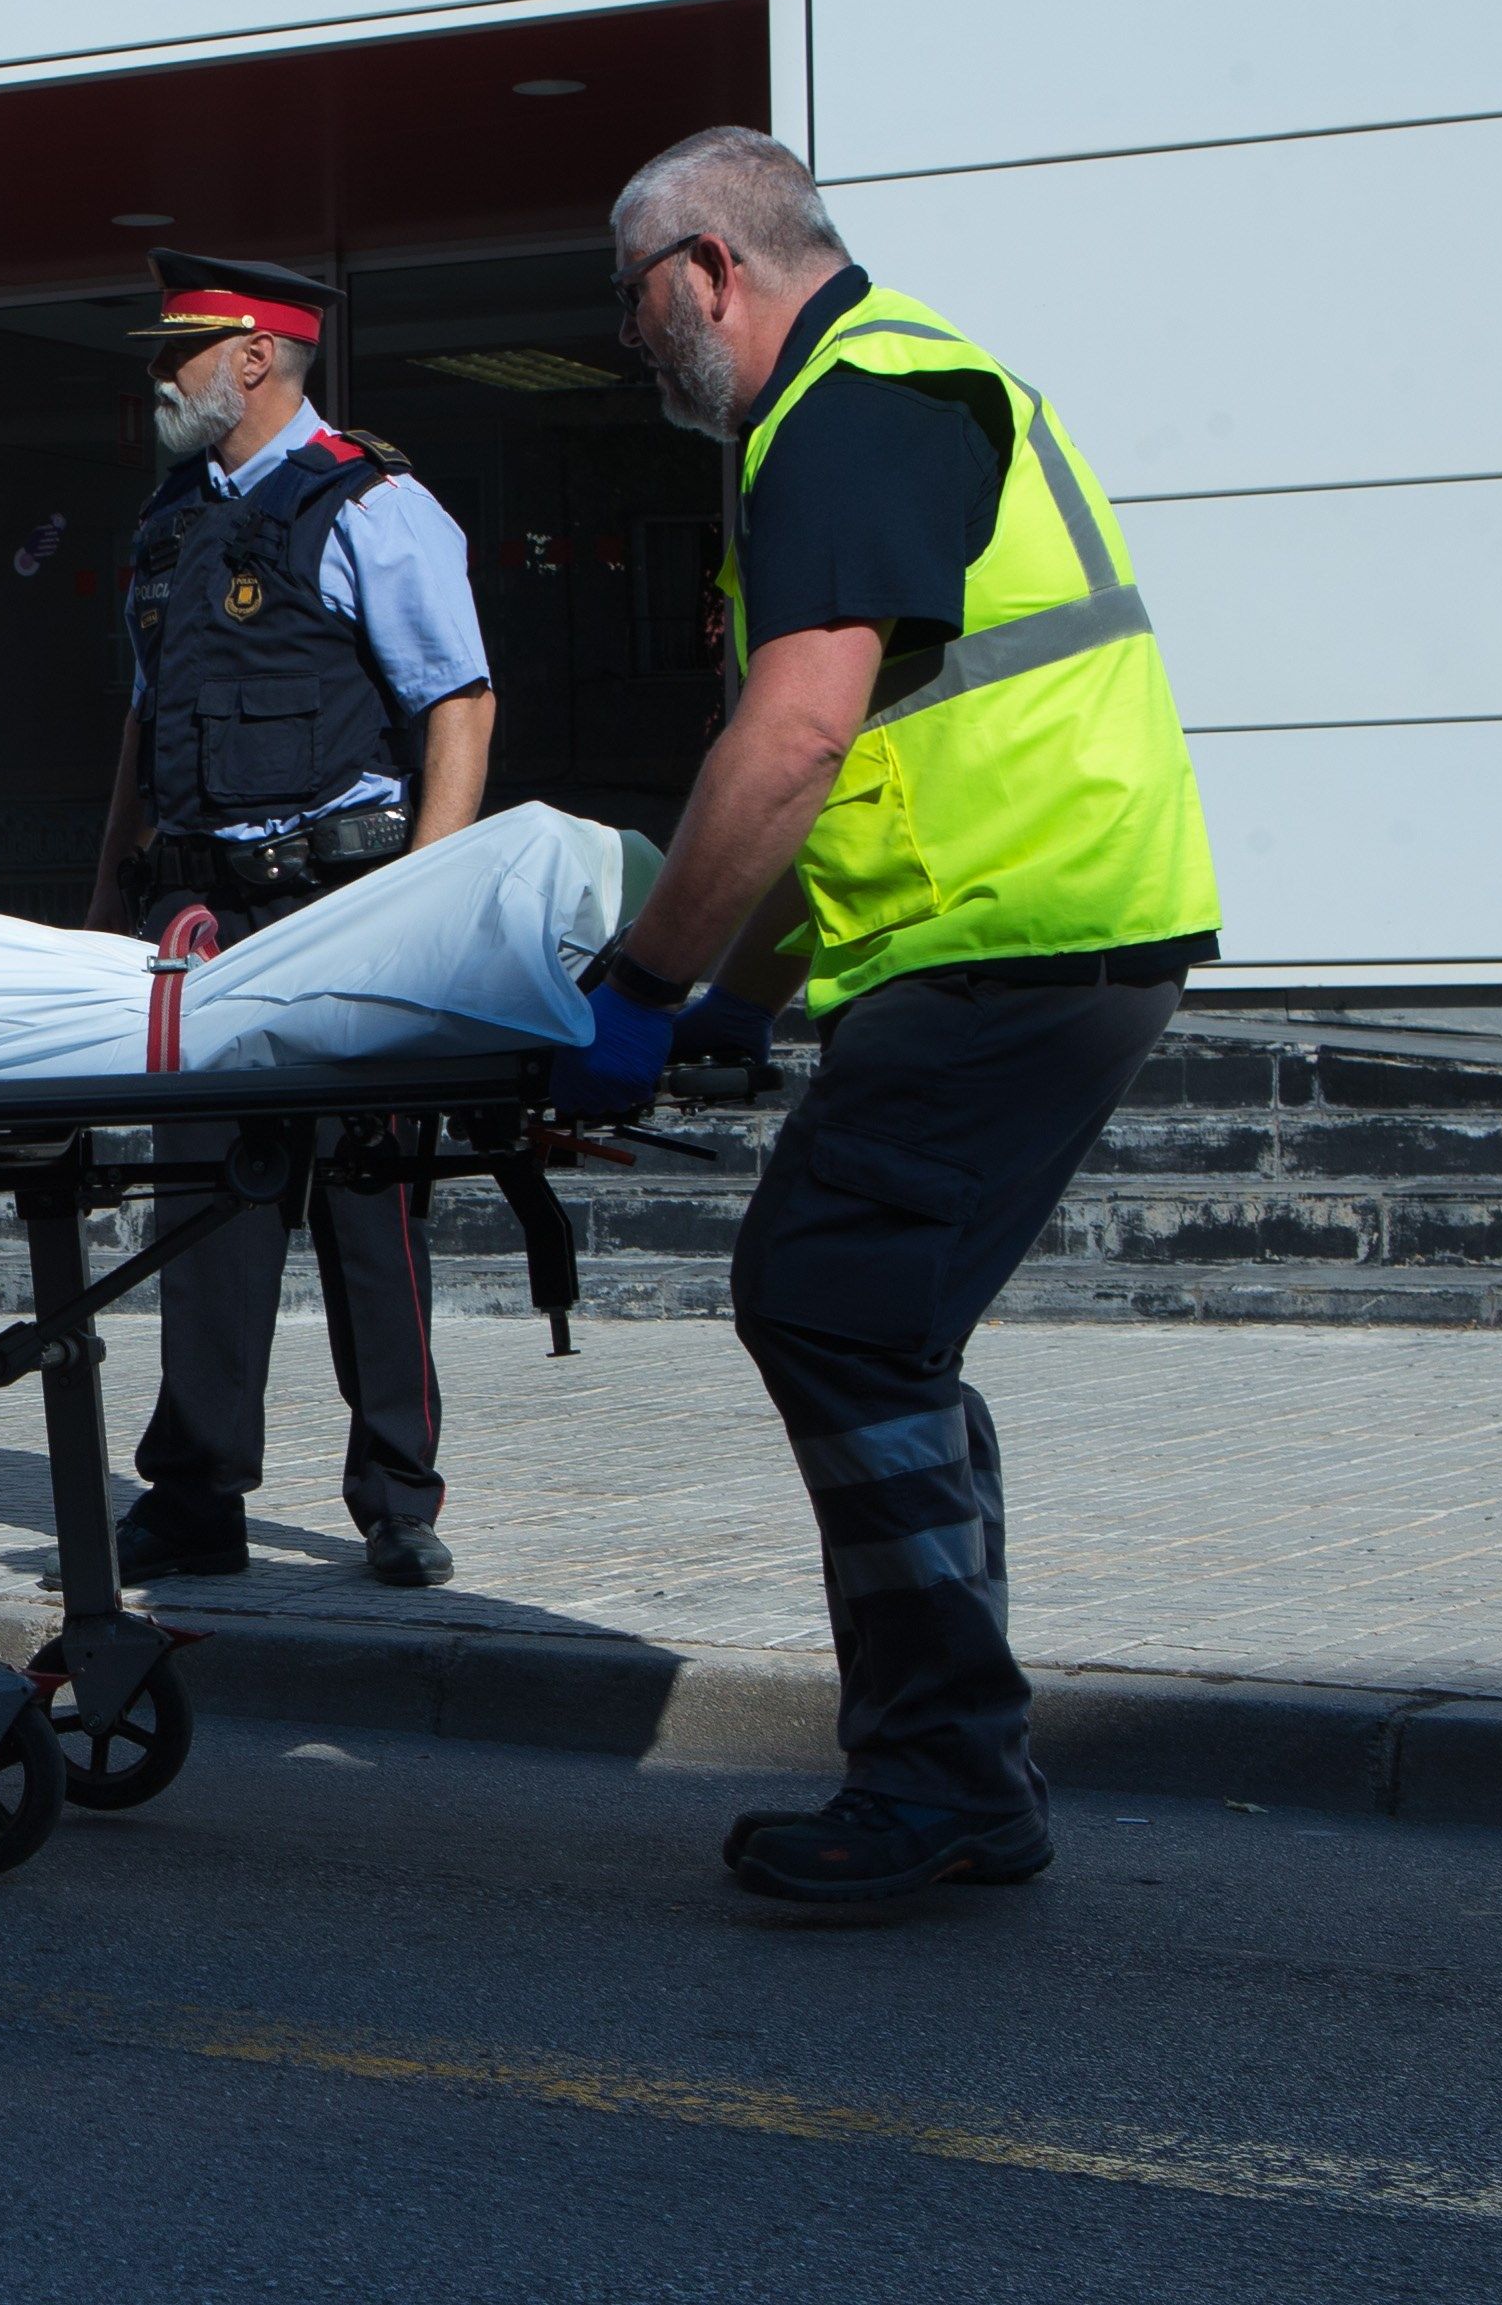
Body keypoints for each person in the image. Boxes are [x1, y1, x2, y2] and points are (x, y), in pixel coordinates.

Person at [555, 127, 1217, 1905]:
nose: (634, 349)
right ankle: (955, 1768)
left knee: (831, 1301)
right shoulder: (876, 395)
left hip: (1018, 939)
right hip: (1027, 931)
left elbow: (790, 743)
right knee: (875, 1322)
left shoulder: (856, 400)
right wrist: (739, 999)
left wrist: (638, 989)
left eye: (632, 307)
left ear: (706, 269)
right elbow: (861, 779)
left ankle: (941, 1780)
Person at [80, 251, 498, 1593]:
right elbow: (143, 729)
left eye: (176, 354)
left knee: (368, 1207)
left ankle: (395, 1496)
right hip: (201, 911)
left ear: (253, 357)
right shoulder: (167, 525)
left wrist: (421, 908)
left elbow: (459, 705)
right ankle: (196, 1492)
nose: (158, 378)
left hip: (343, 901)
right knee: (204, 1209)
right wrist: (105, 905)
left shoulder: (374, 505)